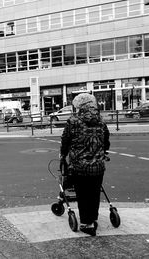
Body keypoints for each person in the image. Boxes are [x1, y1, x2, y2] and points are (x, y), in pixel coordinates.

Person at [60, 93, 110, 236]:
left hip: (79, 166)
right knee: (94, 193)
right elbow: (106, 141)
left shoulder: (73, 121)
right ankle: (93, 219)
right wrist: (102, 151)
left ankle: (86, 224)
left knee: (82, 195)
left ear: (78, 106)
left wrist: (63, 154)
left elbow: (65, 141)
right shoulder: (101, 121)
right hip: (98, 166)